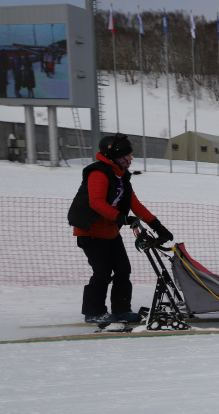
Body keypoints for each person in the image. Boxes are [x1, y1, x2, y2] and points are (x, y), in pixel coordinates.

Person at [67, 133, 173, 323]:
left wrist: (159, 227)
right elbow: (97, 203)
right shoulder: (98, 173)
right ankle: (94, 312)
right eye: (128, 155)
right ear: (116, 156)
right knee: (102, 272)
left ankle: (121, 309)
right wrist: (122, 218)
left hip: (110, 230)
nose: (131, 158)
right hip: (91, 230)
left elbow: (136, 205)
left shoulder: (121, 177)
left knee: (123, 269)